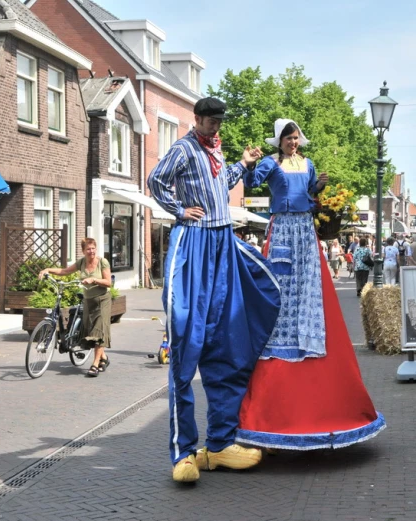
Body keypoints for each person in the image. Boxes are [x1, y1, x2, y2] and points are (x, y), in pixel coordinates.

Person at [147, 97, 281, 483]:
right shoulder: (183, 148)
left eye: (219, 121)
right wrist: (178, 210)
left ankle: (220, 444)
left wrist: (243, 164)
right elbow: (156, 181)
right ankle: (184, 452)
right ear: (197, 118)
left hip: (224, 243)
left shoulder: (216, 149)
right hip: (195, 244)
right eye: (210, 121)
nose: (215, 127)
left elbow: (220, 185)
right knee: (186, 345)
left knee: (229, 342)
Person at [237, 118, 385, 452]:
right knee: (279, 283)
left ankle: (307, 323)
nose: (293, 143)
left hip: (304, 227)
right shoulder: (270, 163)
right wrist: (248, 164)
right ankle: (282, 330)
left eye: (295, 138)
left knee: (308, 282)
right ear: (279, 141)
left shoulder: (308, 163)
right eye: (287, 138)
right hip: (282, 227)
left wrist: (317, 189)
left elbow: (306, 193)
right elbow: (253, 182)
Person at [39, 238, 112, 378]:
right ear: (83, 251)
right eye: (88, 249)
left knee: (100, 331)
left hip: (102, 300)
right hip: (88, 301)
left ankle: (95, 364)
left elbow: (108, 282)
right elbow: (65, 271)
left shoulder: (103, 262)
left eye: (93, 248)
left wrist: (93, 280)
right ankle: (104, 358)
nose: (91, 251)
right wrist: (48, 269)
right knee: (89, 331)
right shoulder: (82, 262)